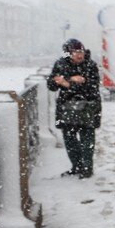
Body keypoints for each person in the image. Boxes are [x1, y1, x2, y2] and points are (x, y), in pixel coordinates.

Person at [47, 38, 102, 178]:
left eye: (81, 51)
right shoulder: (60, 64)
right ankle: (76, 166)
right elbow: (51, 85)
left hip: (87, 108)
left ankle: (87, 168)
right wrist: (57, 81)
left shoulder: (90, 65)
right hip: (67, 108)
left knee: (87, 140)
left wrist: (68, 83)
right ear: (67, 53)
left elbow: (92, 87)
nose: (79, 55)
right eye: (75, 52)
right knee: (70, 140)